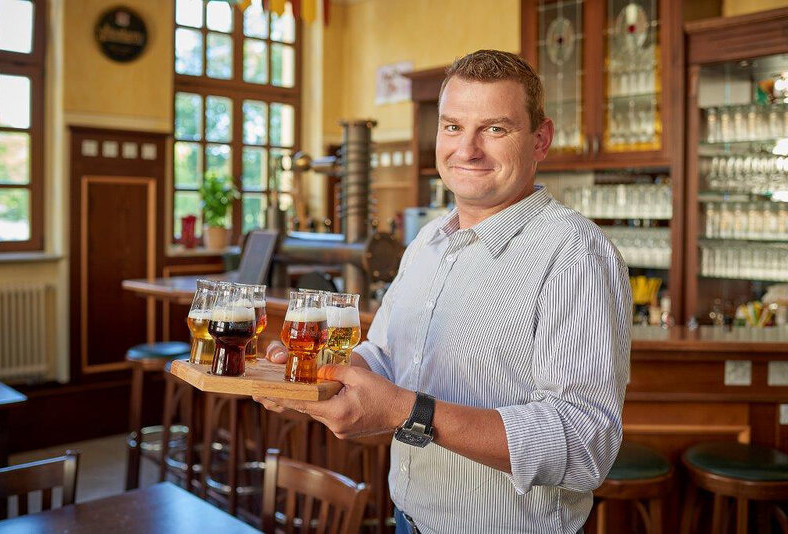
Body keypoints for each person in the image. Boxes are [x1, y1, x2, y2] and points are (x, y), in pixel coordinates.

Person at [257, 49, 632, 533]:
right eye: (453, 127)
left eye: (495, 129)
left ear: (541, 140)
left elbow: (585, 446)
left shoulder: (576, 254)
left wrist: (408, 411)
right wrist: (316, 376)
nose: (467, 149)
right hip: (408, 520)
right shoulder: (429, 239)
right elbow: (386, 356)